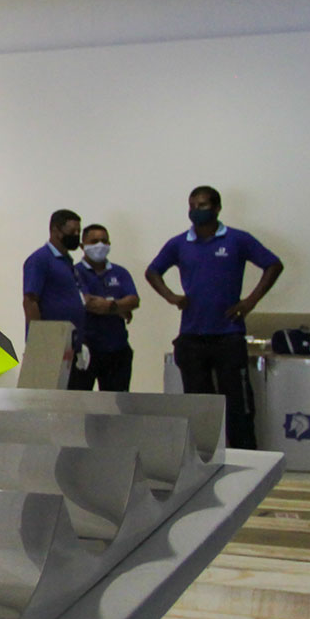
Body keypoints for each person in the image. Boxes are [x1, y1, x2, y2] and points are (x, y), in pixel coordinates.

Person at [146, 186, 283, 451]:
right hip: (192, 337)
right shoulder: (179, 243)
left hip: (228, 335)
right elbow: (152, 271)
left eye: (203, 205)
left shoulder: (237, 239)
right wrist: (171, 296)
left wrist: (250, 301)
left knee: (239, 406)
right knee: (198, 407)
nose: (196, 210)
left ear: (217, 208)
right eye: (192, 206)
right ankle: (202, 459)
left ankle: (246, 458)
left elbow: (273, 264)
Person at [72, 223, 140, 392]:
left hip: (117, 349)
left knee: (116, 403)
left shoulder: (120, 272)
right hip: (85, 350)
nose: (100, 245)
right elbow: (89, 303)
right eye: (94, 241)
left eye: (104, 241)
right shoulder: (74, 272)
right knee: (78, 402)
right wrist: (119, 307)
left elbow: (134, 300)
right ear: (82, 246)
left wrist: (111, 305)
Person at [22, 208, 86, 386]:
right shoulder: (40, 260)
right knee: (49, 395)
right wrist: (39, 340)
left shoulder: (67, 262)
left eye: (79, 232)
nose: (76, 236)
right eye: (72, 231)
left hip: (69, 344)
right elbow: (30, 300)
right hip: (50, 345)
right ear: (56, 230)